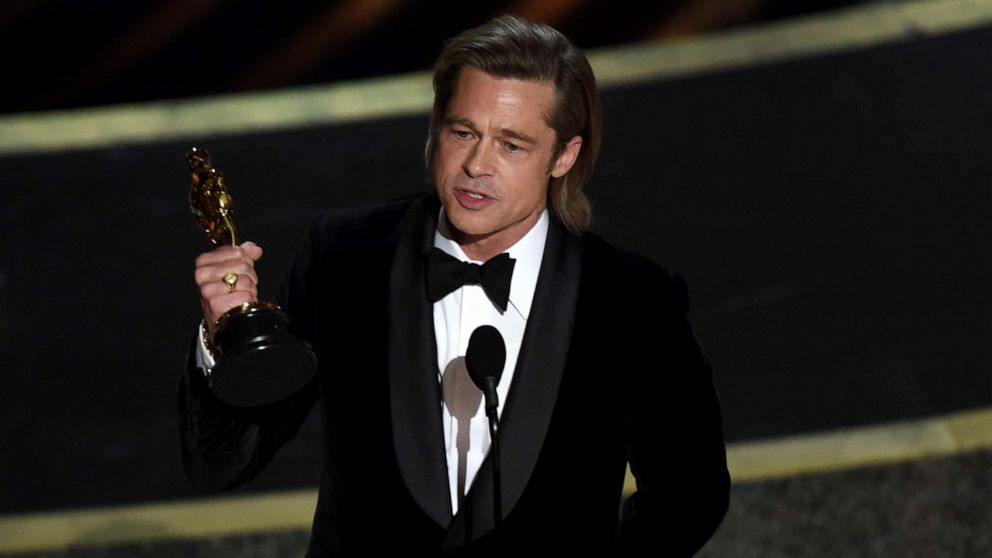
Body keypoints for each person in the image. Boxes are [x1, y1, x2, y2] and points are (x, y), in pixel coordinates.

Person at [180, 15, 729, 557]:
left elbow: (689, 499)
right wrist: (223, 339)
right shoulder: (347, 256)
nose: (476, 165)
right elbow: (223, 462)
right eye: (463, 132)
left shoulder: (633, 301)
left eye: (511, 145)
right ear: (437, 129)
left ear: (564, 156)